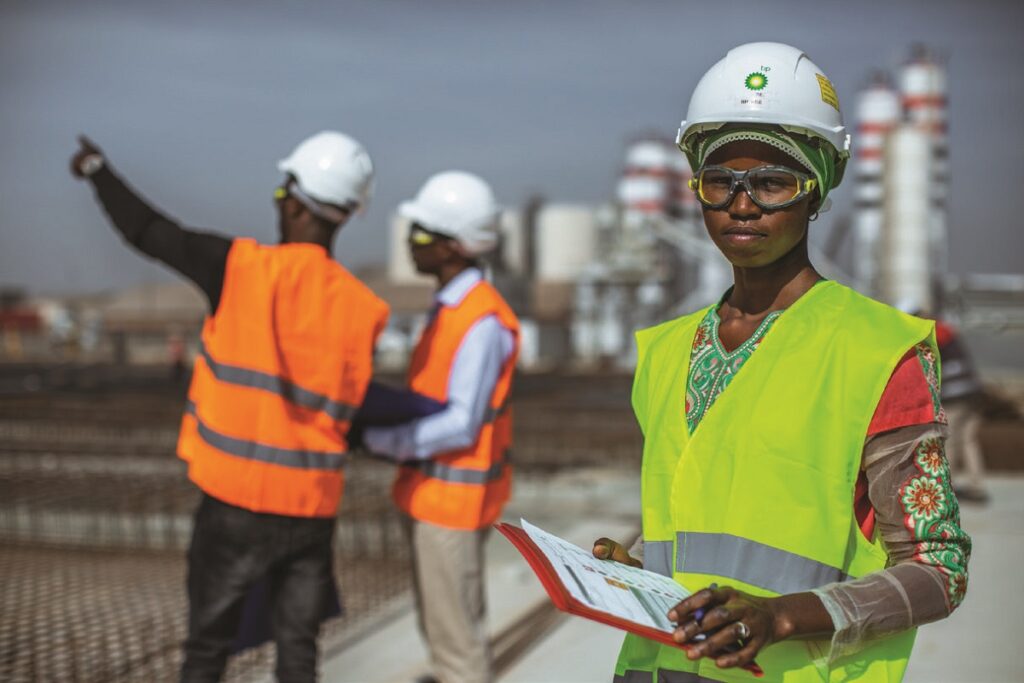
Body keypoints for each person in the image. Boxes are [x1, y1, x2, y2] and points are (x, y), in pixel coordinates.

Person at [593, 42, 970, 682]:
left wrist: (782, 617)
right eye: (721, 181)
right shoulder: (664, 352)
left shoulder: (877, 351)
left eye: (773, 182)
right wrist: (638, 572)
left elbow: (939, 569)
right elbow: (706, 520)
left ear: (816, 192)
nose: (743, 205)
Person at [71, 131, 390, 683]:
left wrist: (98, 169)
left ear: (293, 201)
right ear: (345, 213)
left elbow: (148, 230)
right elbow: (351, 412)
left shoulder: (239, 269)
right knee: (298, 651)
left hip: (234, 504)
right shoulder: (363, 309)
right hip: (310, 511)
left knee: (207, 650)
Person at [364, 171, 519, 683]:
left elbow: (460, 424)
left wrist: (379, 442)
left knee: (458, 649)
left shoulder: (480, 321)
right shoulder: (452, 309)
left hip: (452, 507)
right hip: (432, 498)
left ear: (454, 246)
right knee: (444, 633)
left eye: (421, 234)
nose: (410, 242)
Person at [934, 318, 988, 502]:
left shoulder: (931, 335)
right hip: (973, 393)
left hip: (954, 397)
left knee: (950, 441)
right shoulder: (949, 333)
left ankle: (946, 489)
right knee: (968, 440)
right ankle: (977, 486)